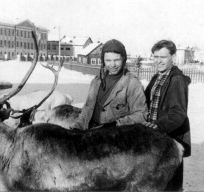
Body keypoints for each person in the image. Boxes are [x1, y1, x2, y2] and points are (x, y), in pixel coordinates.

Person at [143, 40, 191, 191]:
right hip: (157, 137)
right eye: (155, 57)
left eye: (162, 57)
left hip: (171, 140)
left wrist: (159, 125)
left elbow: (178, 113)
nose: (158, 61)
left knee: (170, 185)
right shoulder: (157, 77)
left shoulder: (176, 80)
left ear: (173, 57)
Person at [75, 39, 148, 130]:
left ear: (123, 59)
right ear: (103, 61)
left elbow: (141, 115)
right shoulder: (96, 81)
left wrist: (115, 125)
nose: (112, 64)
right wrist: (77, 127)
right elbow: (87, 109)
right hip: (91, 134)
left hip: (116, 137)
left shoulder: (132, 84)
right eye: (108, 60)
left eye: (117, 60)